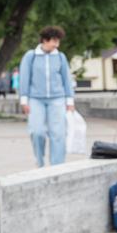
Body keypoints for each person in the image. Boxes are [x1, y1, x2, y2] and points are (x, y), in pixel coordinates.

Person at [19, 26, 75, 167]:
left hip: (57, 99)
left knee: (58, 134)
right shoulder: (31, 56)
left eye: (58, 41)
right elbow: (24, 78)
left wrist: (70, 101)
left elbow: (67, 79)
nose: (57, 45)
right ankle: (40, 162)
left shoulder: (60, 57)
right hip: (35, 99)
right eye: (54, 41)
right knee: (36, 132)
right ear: (45, 40)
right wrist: (24, 100)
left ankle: (57, 166)